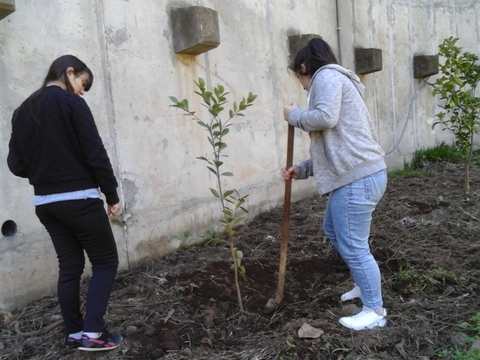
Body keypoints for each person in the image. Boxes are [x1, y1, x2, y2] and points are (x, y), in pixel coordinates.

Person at [7, 55, 123, 351]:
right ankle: (94, 334)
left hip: (46, 204)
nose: (82, 91)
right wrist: (111, 196)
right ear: (69, 72)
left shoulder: (22, 111)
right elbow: (95, 154)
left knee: (70, 267)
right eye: (83, 83)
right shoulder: (72, 104)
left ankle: (74, 332)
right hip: (79, 200)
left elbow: (16, 165)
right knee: (106, 262)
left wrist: (45, 168)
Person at [282, 39, 388, 331]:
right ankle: (363, 283)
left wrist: (294, 116)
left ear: (304, 67)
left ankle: (374, 311)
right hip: (358, 175)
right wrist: (301, 169)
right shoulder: (337, 80)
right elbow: (335, 148)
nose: (304, 88)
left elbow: (324, 119)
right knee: (334, 231)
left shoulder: (326, 76)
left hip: (358, 178)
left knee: (353, 246)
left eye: (300, 79)